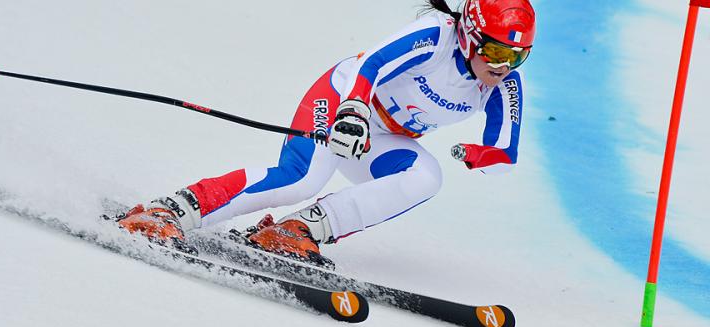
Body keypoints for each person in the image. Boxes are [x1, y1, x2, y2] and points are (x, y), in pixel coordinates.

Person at [118, 0, 536, 264]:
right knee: (302, 178)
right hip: (343, 99)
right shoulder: (435, 40)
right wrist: (352, 111)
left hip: (384, 136)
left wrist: (479, 155)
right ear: (469, 34)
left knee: (427, 177)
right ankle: (169, 210)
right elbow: (368, 66)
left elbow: (503, 156)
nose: (503, 65)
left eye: (518, 56)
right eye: (497, 50)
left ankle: (296, 230)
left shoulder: (504, 86)